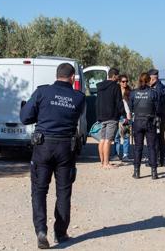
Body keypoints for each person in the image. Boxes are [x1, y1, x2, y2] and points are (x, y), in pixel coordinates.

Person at [20, 63, 85, 249]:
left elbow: (25, 118)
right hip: (66, 148)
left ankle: (41, 231)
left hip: (43, 146)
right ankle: (61, 233)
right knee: (64, 191)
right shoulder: (78, 97)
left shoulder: (42, 92)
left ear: (57, 75)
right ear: (73, 77)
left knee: (39, 190)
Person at [129, 72, 159, 179]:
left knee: (138, 148)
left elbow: (131, 108)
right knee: (152, 147)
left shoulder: (133, 93)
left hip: (137, 121)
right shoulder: (153, 93)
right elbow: (157, 108)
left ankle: (137, 172)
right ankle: (154, 172)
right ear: (148, 80)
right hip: (150, 121)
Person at [96, 68, 125, 169]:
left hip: (101, 116)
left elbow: (97, 102)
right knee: (108, 140)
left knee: (102, 139)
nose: (118, 78)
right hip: (112, 116)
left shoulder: (100, 86)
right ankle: (106, 163)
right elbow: (119, 102)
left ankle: (102, 162)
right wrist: (123, 114)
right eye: (117, 76)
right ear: (113, 76)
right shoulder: (115, 87)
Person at [148, 68, 165, 167]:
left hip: (157, 117)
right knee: (160, 138)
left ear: (153, 78)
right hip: (162, 116)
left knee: (156, 138)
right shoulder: (163, 87)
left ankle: (155, 160)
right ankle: (161, 160)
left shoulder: (157, 89)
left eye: (149, 79)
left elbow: (157, 104)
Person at [114, 74, 132, 161]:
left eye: (126, 81)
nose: (125, 83)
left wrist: (130, 115)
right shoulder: (115, 90)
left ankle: (125, 155)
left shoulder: (129, 92)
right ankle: (116, 154)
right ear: (119, 82)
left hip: (126, 116)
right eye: (123, 81)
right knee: (116, 136)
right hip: (117, 116)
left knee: (126, 136)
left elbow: (131, 105)